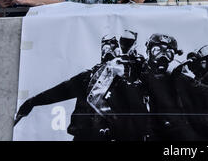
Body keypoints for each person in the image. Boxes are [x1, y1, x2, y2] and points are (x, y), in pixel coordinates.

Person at [14, 32, 149, 141]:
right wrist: (33, 102)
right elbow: (62, 90)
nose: (108, 51)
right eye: (105, 47)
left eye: (113, 47)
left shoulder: (136, 75)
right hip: (86, 134)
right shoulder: (89, 77)